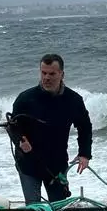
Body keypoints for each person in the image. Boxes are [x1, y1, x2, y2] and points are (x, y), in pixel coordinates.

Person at [10, 53, 92, 203]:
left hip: (56, 165)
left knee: (58, 208)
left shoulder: (73, 100)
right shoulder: (25, 98)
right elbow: (13, 127)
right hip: (28, 163)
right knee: (34, 208)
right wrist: (20, 141)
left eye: (52, 74)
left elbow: (85, 127)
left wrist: (84, 154)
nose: (47, 77)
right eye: (43, 73)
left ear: (61, 74)